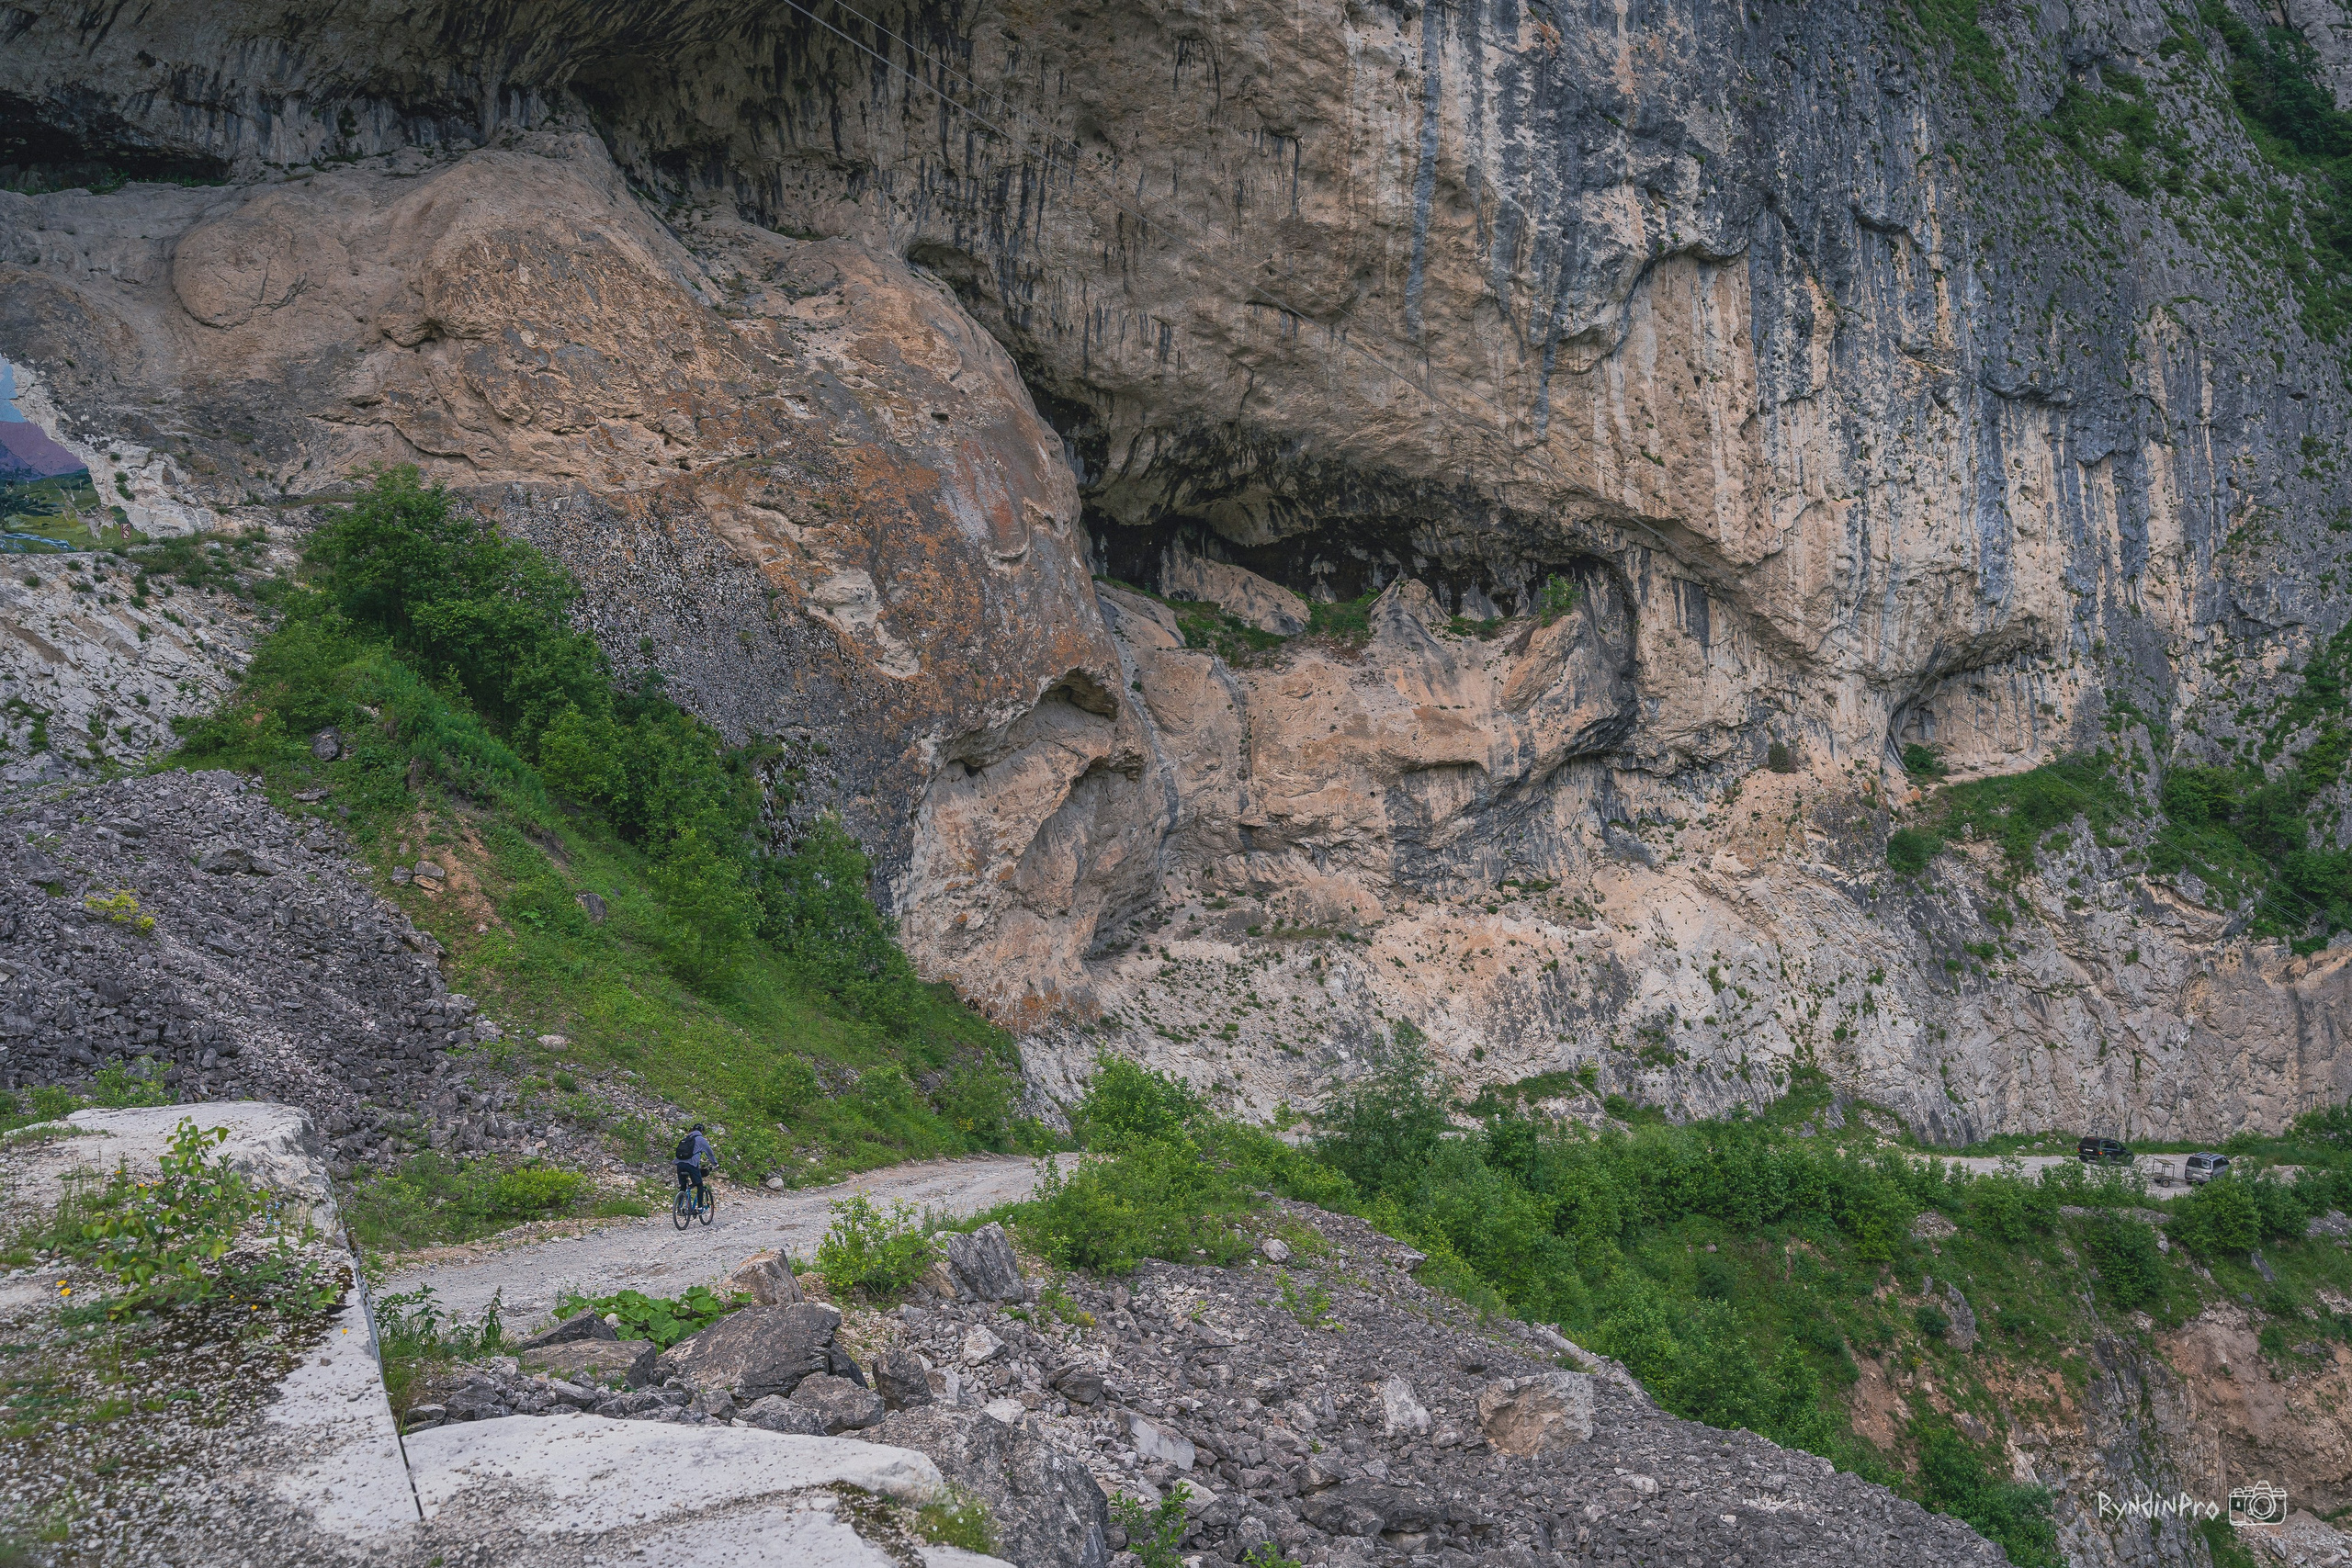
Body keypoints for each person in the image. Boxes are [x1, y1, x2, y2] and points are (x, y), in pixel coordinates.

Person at [674, 1123, 715, 1208]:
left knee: (683, 1185)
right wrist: (715, 1164)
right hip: (691, 1164)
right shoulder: (701, 1140)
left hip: (680, 1164)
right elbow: (710, 1153)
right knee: (699, 1184)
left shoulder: (686, 1139)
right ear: (702, 1131)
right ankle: (700, 1206)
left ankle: (679, 1207)